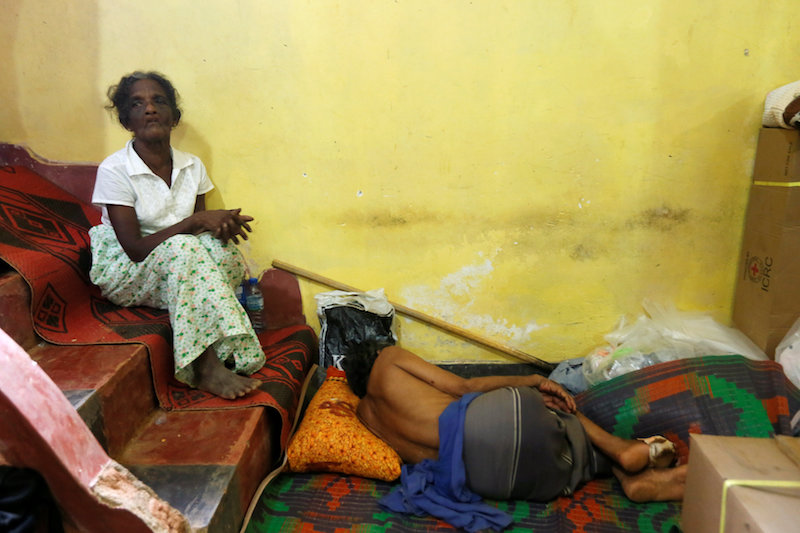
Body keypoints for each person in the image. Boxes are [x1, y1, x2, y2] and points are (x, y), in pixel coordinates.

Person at [342, 342, 687, 530]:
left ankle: (624, 471)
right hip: (494, 423)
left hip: (484, 479)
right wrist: (533, 381)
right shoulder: (387, 360)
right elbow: (464, 386)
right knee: (555, 413)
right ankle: (624, 451)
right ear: (374, 352)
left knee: (553, 454)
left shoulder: (363, 417)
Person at [89, 71, 264, 400]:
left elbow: (198, 229)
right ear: (127, 120)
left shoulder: (192, 166)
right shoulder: (114, 170)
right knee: (185, 248)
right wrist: (195, 222)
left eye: (159, 101)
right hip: (127, 270)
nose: (150, 109)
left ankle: (228, 352)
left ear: (174, 115)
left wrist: (219, 225)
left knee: (223, 255)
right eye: (138, 103)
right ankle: (205, 366)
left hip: (177, 266)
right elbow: (136, 249)